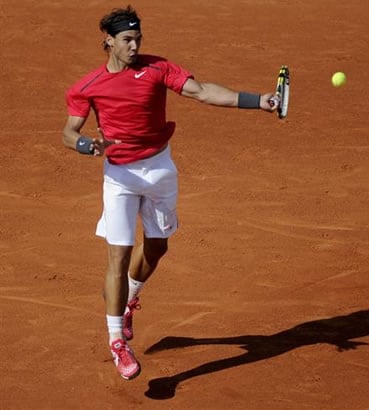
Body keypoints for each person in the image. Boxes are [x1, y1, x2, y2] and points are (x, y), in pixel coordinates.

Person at [62, 6, 278, 380]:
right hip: (120, 177)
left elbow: (203, 92)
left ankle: (128, 300)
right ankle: (117, 342)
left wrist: (259, 100)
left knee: (158, 246)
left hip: (160, 168)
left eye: (138, 39)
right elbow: (68, 132)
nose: (135, 46)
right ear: (109, 42)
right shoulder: (87, 86)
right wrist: (84, 145)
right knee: (119, 253)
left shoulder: (159, 68)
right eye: (127, 40)